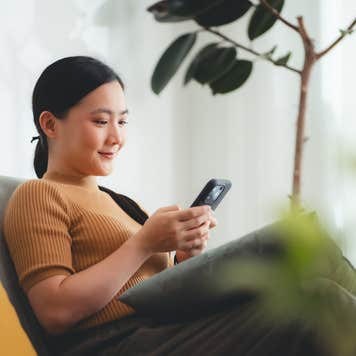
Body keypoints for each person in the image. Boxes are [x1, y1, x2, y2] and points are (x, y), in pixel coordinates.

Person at [3, 56, 328, 356]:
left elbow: (156, 289)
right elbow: (55, 312)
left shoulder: (121, 203)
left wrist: (186, 256)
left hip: (163, 331)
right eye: (101, 122)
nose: (117, 137)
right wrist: (144, 243)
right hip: (114, 344)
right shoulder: (39, 195)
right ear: (50, 125)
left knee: (324, 275)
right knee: (318, 304)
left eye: (123, 122)